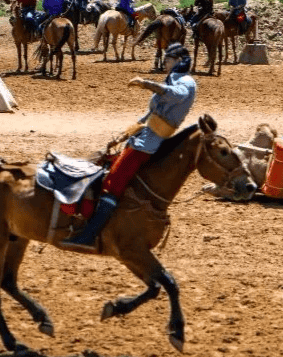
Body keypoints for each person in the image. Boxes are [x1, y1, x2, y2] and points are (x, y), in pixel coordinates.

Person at [63, 42, 197, 249]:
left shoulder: (186, 83)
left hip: (147, 145)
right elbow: (147, 116)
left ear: (179, 60)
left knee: (111, 186)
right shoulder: (172, 79)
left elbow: (174, 95)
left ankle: (89, 235)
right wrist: (122, 135)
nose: (165, 62)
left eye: (168, 59)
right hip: (141, 139)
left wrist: (146, 83)